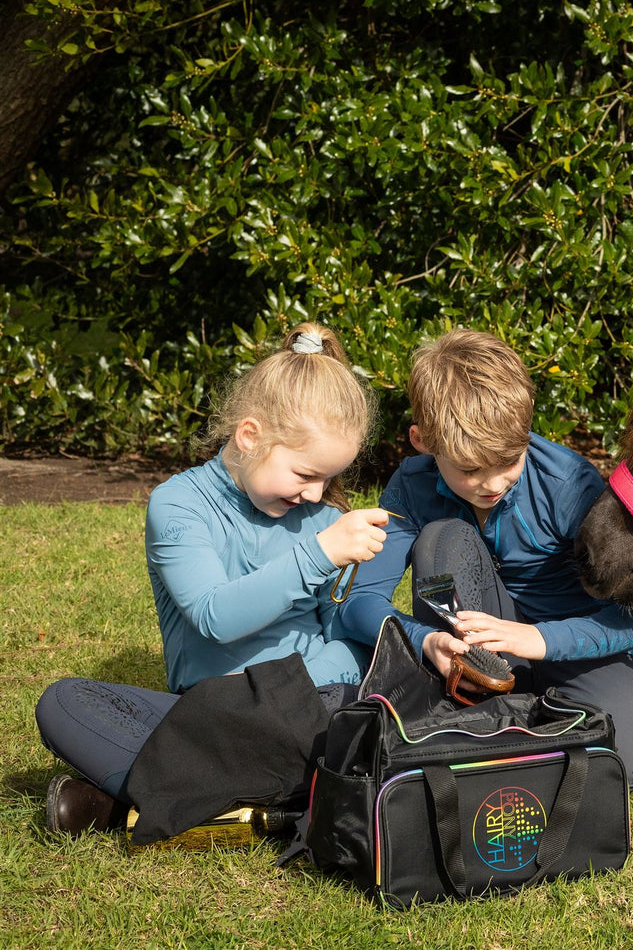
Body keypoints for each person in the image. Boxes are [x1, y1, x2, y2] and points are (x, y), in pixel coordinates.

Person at [35, 322, 391, 834]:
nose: (316, 494)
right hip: (218, 716)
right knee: (65, 703)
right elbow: (214, 616)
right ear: (249, 436)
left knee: (360, 693)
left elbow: (343, 631)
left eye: (329, 479)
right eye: (304, 475)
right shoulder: (178, 505)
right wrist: (318, 554)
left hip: (311, 703)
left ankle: (171, 798)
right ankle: (298, 797)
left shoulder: (320, 517)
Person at [334, 328, 633, 786]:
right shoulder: (412, 484)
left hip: (572, 647)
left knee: (614, 762)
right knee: (443, 537)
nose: (493, 483)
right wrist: (427, 641)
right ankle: (475, 695)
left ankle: (498, 720)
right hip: (474, 652)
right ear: (422, 440)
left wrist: (535, 639)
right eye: (469, 469)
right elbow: (359, 602)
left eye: (510, 459)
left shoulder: (570, 486)